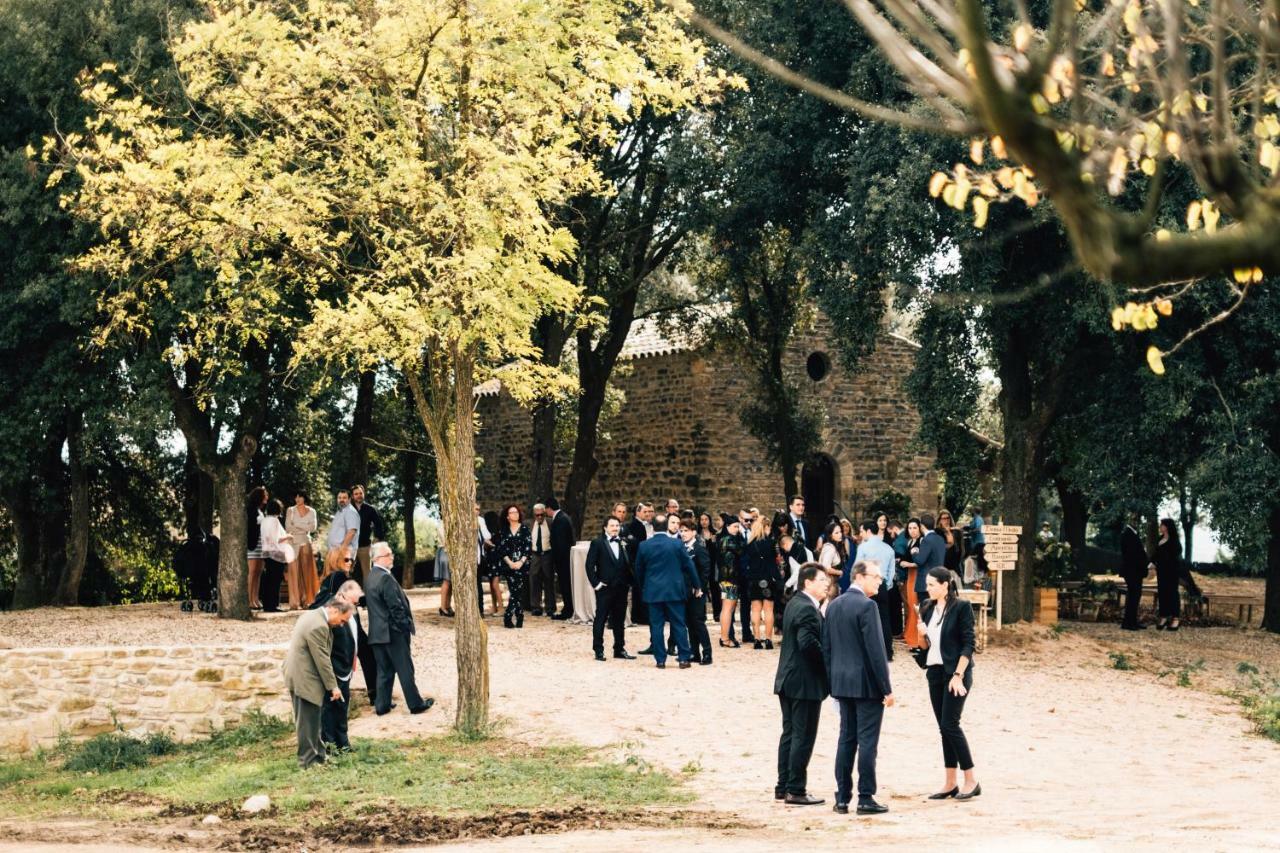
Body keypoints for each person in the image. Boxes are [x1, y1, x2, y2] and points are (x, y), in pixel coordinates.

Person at [824, 560, 894, 815]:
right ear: (860, 577)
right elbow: (876, 651)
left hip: (841, 682)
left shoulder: (834, 604)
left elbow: (827, 648)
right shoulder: (867, 606)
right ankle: (865, 796)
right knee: (867, 742)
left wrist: (832, 681)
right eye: (876, 576)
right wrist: (886, 688)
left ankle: (842, 797)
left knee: (846, 740)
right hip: (866, 684)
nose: (880, 581)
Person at [919, 567, 980, 800]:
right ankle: (950, 782)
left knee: (950, 724)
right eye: (928, 584)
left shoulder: (961, 607)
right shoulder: (927, 607)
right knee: (943, 728)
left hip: (956, 673)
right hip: (935, 672)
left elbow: (969, 644)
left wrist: (958, 675)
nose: (928, 588)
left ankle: (971, 780)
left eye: (932, 584)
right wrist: (921, 634)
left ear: (946, 585)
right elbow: (925, 648)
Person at [773, 563, 831, 805]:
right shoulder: (807, 608)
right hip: (804, 681)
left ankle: (783, 785)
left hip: (788, 678)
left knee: (790, 733)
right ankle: (796, 789)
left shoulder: (795, 603)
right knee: (803, 735)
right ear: (808, 582)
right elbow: (807, 643)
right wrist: (829, 661)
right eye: (822, 581)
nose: (826, 585)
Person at [365, 541, 434, 715]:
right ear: (379, 558)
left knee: (384, 670)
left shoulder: (370, 577)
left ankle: (382, 705)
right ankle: (415, 704)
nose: (392, 557)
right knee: (405, 669)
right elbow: (395, 607)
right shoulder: (385, 577)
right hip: (392, 632)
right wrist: (404, 627)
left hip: (376, 633)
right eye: (389, 554)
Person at [283, 597, 352, 768]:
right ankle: (307, 761)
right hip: (304, 678)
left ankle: (319, 755)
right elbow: (323, 661)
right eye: (343, 620)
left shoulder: (313, 616)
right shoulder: (318, 626)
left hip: (301, 675)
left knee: (313, 720)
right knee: (307, 723)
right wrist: (333, 687)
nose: (342, 624)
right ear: (335, 610)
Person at [633, 512, 701, 669]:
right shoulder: (677, 544)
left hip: (653, 591)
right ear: (666, 526)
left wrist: (644, 586)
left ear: (653, 527)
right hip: (674, 590)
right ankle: (684, 658)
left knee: (656, 626)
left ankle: (660, 660)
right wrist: (697, 585)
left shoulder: (644, 545)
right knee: (678, 624)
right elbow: (689, 566)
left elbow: (638, 570)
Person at [311, 546, 378, 706]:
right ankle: (376, 696)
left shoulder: (327, 578)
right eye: (346, 559)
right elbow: (354, 599)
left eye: (351, 560)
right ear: (335, 561)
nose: (350, 563)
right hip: (347, 625)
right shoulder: (339, 576)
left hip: (339, 625)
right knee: (368, 655)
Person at [322, 579, 364, 752]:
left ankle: (343, 743)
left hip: (347, 668)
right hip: (335, 668)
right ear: (342, 595)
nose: (355, 605)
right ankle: (330, 745)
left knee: (342, 708)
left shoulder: (351, 612)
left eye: (356, 602)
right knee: (330, 709)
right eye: (353, 601)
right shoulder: (331, 612)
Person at [586, 516, 636, 661]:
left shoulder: (623, 542)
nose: (615, 528)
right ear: (605, 527)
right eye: (612, 525)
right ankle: (598, 650)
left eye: (617, 525)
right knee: (600, 619)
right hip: (605, 589)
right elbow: (589, 566)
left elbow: (628, 563)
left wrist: (629, 581)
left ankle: (619, 649)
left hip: (621, 588)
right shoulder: (597, 543)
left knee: (619, 620)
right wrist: (597, 584)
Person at [856, 520, 898, 660]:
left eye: (863, 531)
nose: (862, 534)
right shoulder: (888, 548)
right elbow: (892, 572)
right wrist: (887, 584)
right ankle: (887, 652)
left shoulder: (863, 548)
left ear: (868, 531)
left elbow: (857, 567)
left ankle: (868, 651)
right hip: (883, 584)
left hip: (867, 584)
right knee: (885, 618)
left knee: (866, 618)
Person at [679, 518, 714, 665]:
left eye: (686, 531)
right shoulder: (681, 548)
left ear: (694, 532)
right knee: (689, 623)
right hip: (685, 591)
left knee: (698, 622)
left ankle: (707, 653)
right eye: (681, 531)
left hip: (697, 592)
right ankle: (695, 652)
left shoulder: (699, 548)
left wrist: (700, 588)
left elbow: (706, 571)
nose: (683, 533)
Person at [744, 515, 782, 650]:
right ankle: (768, 639)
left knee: (755, 610)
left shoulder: (749, 544)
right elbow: (773, 564)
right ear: (766, 527)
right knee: (768, 611)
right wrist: (779, 580)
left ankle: (756, 639)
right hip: (767, 579)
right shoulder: (770, 543)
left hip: (754, 579)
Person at [495, 504, 530, 629]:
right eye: (512, 512)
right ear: (507, 516)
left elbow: (528, 548)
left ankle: (509, 616)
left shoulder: (525, 529)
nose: (515, 514)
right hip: (508, 566)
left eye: (516, 512)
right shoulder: (503, 531)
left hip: (522, 565)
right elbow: (501, 549)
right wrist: (510, 563)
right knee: (514, 591)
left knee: (517, 591)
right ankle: (518, 615)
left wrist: (520, 562)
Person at [259, 499, 295, 612]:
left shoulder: (264, 521)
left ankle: (267, 604)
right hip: (275, 553)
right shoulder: (274, 521)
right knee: (275, 580)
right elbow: (276, 539)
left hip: (266, 552)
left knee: (268, 579)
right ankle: (273, 605)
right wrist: (288, 536)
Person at [286, 491, 319, 610]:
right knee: (294, 573)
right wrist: (304, 528)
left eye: (300, 496)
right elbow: (288, 527)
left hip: (306, 542)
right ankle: (294, 603)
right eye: (296, 496)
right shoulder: (290, 510)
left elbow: (313, 528)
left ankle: (308, 601)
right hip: (293, 543)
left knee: (307, 573)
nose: (297, 498)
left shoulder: (312, 511)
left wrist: (298, 526)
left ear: (304, 498)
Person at [717, 515, 745, 648]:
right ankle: (724, 638)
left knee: (727, 609)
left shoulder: (724, 539)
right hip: (729, 579)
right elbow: (742, 550)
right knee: (728, 609)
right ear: (727, 527)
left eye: (738, 526)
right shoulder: (728, 540)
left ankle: (725, 637)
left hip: (727, 578)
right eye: (734, 526)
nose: (737, 529)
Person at [1150, 518, 1182, 631]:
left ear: (1167, 527)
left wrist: (1163, 562)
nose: (1160, 527)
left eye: (1162, 525)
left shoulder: (1174, 541)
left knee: (1172, 593)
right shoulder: (1160, 539)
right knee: (1162, 593)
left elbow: (1175, 555)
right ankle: (1163, 616)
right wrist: (1151, 563)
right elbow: (1156, 554)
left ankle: (1175, 618)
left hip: (1172, 572)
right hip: (1162, 572)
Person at [625, 503, 653, 626]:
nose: (646, 514)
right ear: (637, 512)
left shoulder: (640, 525)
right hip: (638, 560)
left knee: (640, 589)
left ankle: (639, 615)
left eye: (648, 511)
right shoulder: (636, 526)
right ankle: (640, 616)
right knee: (640, 589)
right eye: (644, 511)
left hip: (640, 560)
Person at [547, 498, 576, 620]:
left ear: (549, 508)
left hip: (563, 560)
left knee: (565, 585)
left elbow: (560, 543)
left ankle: (568, 610)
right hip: (565, 558)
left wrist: (556, 560)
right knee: (565, 585)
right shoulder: (563, 517)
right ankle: (568, 608)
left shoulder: (560, 520)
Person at [350, 485, 386, 584]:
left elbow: (379, 525)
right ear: (352, 496)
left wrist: (377, 538)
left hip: (364, 546)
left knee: (367, 573)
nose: (359, 496)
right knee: (347, 572)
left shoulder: (370, 509)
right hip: (350, 547)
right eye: (356, 494)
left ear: (364, 494)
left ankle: (369, 597)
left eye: (360, 493)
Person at [1118, 518, 1149, 630]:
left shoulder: (1132, 534)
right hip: (1132, 571)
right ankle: (1128, 623)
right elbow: (1132, 555)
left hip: (1135, 571)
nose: (1137, 522)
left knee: (1134, 596)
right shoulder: (1128, 534)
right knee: (1133, 596)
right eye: (1134, 520)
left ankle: (1132, 621)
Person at [326, 489, 361, 584]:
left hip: (344, 552)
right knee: (335, 581)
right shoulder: (340, 512)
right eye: (339, 498)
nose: (341, 500)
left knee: (341, 580)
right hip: (335, 552)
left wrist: (342, 549)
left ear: (350, 499)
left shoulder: (350, 512)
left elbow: (352, 531)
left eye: (344, 498)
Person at [526, 503, 554, 616]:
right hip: (535, 554)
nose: (539, 517)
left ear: (544, 513)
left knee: (549, 580)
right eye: (537, 515)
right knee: (534, 579)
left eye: (541, 515)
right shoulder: (529, 524)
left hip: (547, 554)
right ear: (534, 514)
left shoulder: (551, 523)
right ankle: (535, 606)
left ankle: (550, 607)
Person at [246, 485, 269, 610]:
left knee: (258, 572)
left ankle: (255, 598)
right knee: (252, 572)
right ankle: (249, 600)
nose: (267, 497)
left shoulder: (261, 510)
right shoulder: (250, 509)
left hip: (261, 544)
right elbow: (250, 526)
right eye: (265, 494)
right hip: (253, 544)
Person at [818, 521, 848, 600]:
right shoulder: (830, 548)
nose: (840, 534)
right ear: (831, 536)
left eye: (840, 532)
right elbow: (825, 568)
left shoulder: (833, 547)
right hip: (829, 586)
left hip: (832, 584)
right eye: (836, 533)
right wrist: (839, 572)